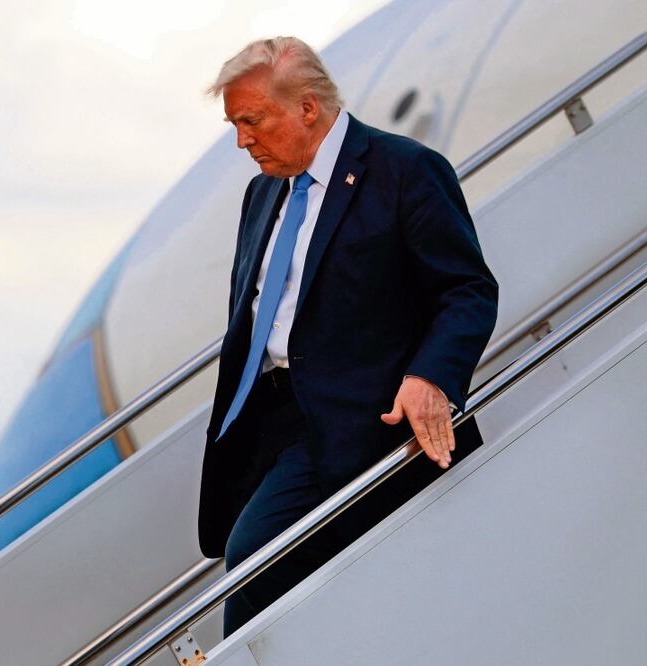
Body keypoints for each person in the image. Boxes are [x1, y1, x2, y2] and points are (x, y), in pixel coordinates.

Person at [197, 36, 499, 637]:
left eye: (252, 121)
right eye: (234, 125)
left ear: (307, 107)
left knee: (256, 559)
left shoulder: (404, 170)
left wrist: (430, 377)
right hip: (271, 420)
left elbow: (466, 290)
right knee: (279, 578)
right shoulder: (262, 193)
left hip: (363, 418)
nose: (242, 141)